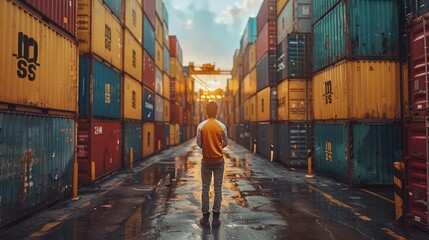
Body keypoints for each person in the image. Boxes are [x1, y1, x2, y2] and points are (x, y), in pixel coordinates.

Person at [196, 101, 228, 228]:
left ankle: (205, 218)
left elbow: (199, 143)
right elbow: (225, 142)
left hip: (206, 161)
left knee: (205, 188)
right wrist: (217, 148)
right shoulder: (222, 126)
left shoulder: (201, 126)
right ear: (217, 112)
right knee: (218, 188)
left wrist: (207, 147)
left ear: (206, 111)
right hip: (219, 161)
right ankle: (215, 219)